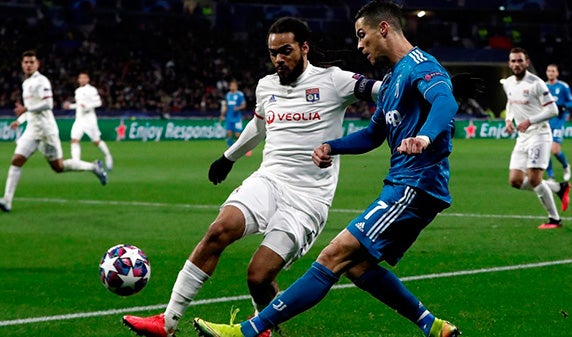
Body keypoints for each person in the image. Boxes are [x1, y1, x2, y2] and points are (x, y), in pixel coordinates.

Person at [193, 1, 462, 337]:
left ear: (384, 29)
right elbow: (372, 135)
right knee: (357, 265)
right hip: (402, 184)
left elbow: (445, 101)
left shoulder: (421, 65)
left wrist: (423, 136)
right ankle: (433, 326)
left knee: (333, 255)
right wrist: (330, 146)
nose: (360, 45)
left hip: (416, 184)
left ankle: (248, 330)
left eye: (363, 36)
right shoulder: (394, 79)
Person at [122, 16, 382, 337]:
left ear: (304, 48)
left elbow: (383, 91)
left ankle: (264, 328)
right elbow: (259, 125)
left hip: (307, 200)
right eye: (273, 53)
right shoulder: (266, 85)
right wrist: (227, 158)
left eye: (285, 51)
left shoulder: (333, 81)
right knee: (219, 230)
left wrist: (425, 97)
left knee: (258, 277)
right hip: (268, 181)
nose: (278, 59)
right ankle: (169, 321)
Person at [0, 50, 107, 213]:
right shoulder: (25, 83)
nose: (28, 65)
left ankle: (93, 167)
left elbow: (48, 104)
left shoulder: (41, 81)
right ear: (22, 65)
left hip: (46, 130)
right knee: (16, 161)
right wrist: (20, 120)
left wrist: (25, 109)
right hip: (32, 130)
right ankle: (7, 201)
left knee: (58, 167)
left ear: (37, 64)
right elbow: (30, 110)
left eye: (31, 62)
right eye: (26, 62)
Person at [502, 48, 571, 229]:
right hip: (522, 137)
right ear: (509, 63)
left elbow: (553, 110)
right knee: (515, 181)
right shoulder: (508, 83)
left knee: (534, 179)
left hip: (539, 134)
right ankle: (558, 188)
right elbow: (510, 103)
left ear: (527, 62)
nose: (516, 64)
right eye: (513, 61)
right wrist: (509, 120)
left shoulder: (537, 83)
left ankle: (554, 219)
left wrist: (529, 121)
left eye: (520, 61)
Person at [63, 71, 114, 171]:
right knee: (74, 140)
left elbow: (98, 102)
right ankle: (76, 162)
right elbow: (79, 105)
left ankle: (108, 156)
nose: (81, 80)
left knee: (96, 141)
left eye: (84, 78)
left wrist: (88, 106)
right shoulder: (77, 91)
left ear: (87, 79)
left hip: (90, 119)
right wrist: (70, 106)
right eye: (80, 78)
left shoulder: (92, 90)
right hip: (79, 119)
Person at [545, 64, 572, 181]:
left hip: (558, 121)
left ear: (557, 73)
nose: (550, 73)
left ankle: (566, 166)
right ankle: (550, 176)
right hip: (546, 122)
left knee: (555, 150)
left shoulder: (563, 86)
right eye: (549, 71)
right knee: (545, 151)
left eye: (553, 71)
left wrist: (563, 106)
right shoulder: (543, 86)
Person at [220, 80, 247, 148]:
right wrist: (222, 115)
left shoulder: (240, 94)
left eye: (234, 85)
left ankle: (242, 146)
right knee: (229, 133)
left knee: (237, 134)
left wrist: (238, 108)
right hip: (229, 117)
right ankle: (230, 147)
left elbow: (244, 105)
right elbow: (226, 106)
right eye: (231, 85)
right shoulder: (228, 95)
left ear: (236, 87)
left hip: (237, 118)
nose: (232, 87)